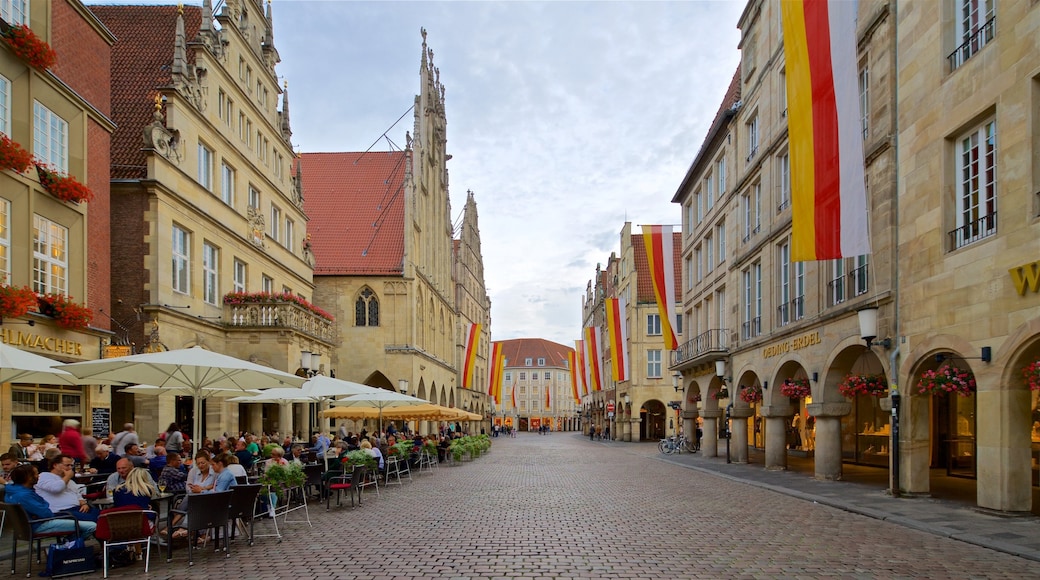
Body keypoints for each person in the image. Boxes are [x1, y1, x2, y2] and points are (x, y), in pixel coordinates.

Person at [5, 464, 96, 539]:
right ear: (28, 477)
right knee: (92, 526)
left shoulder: (12, 492)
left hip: (25, 527)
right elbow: (46, 513)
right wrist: (45, 504)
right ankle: (67, 548)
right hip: (38, 525)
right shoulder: (24, 495)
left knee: (79, 521)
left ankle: (68, 546)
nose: (39, 476)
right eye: (36, 474)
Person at [35, 454, 99, 522]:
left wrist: (84, 503)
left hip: (77, 508)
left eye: (71, 465)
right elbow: (56, 488)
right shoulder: (44, 476)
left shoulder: (69, 481)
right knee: (97, 520)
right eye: (67, 465)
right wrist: (68, 476)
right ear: (55, 465)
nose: (70, 468)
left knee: (104, 515)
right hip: (60, 511)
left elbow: (78, 495)